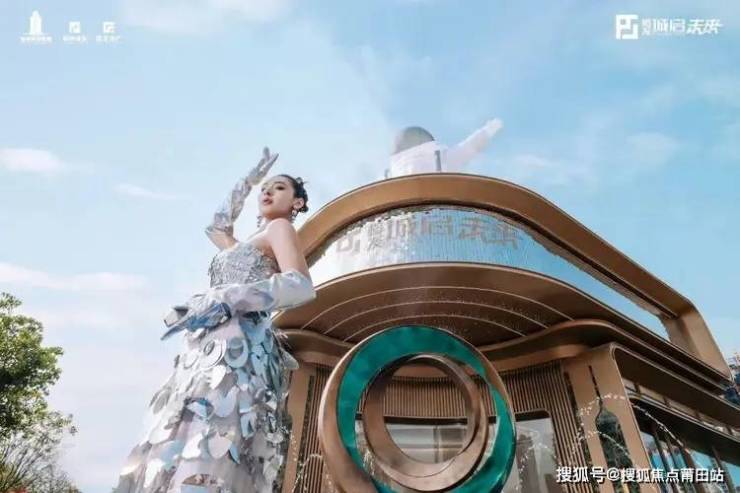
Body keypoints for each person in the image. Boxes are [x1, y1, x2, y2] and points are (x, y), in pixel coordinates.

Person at [112, 147, 316, 493]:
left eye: (279, 187)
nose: (268, 191)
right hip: (209, 345)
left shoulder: (279, 228)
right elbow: (216, 225)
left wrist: (228, 297)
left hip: (237, 344)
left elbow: (300, 285)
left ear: (296, 203)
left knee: (217, 426)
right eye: (266, 188)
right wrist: (248, 181)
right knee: (191, 428)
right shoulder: (243, 244)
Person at [384, 119, 503, 178]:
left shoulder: (391, 175)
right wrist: (489, 129)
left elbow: (469, 147)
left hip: (408, 213)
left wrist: (489, 130)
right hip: (437, 210)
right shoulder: (440, 159)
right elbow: (468, 147)